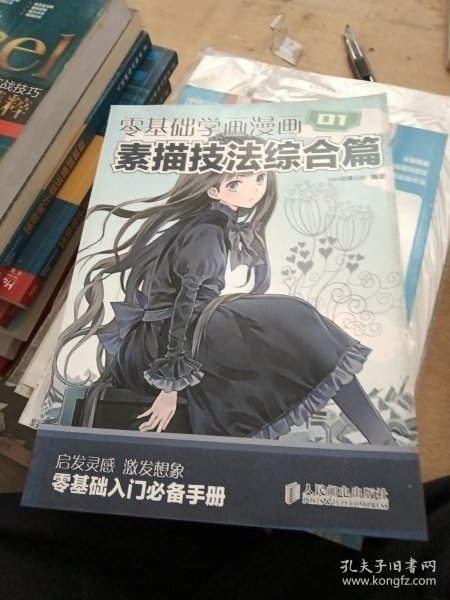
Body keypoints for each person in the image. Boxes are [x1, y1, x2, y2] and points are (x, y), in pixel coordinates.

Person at [52, 139, 395, 445]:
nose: (254, 189)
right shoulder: (208, 232)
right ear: (213, 191)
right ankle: (382, 443)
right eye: (235, 183)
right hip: (169, 344)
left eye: (259, 177)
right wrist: (170, 385)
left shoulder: (215, 225)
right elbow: (183, 306)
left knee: (292, 326)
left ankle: (381, 443)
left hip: (183, 331)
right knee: (296, 320)